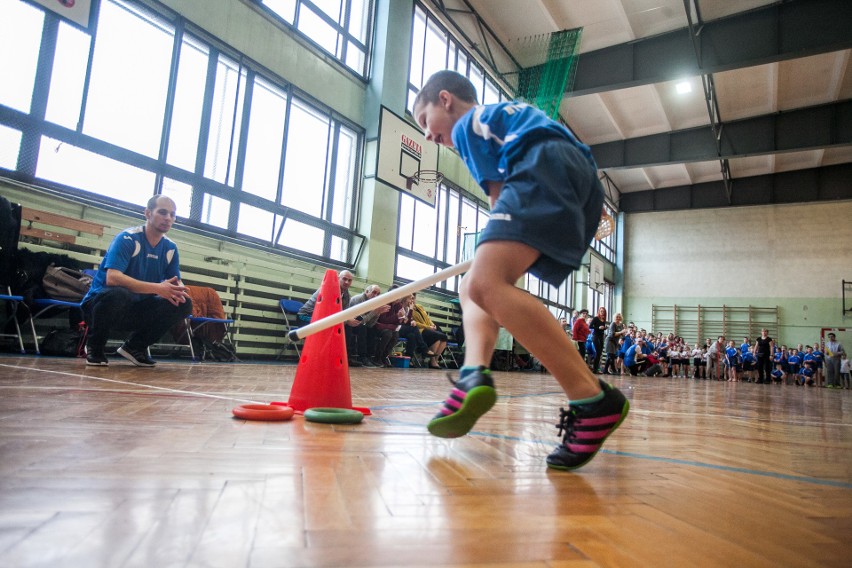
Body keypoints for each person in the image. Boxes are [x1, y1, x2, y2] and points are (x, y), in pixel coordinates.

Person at [413, 70, 629, 471]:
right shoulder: (509, 116)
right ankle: (473, 374)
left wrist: (492, 243)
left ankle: (591, 398)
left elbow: (499, 198)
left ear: (445, 100)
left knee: (485, 283)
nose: (427, 136)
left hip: (542, 167)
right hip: (577, 175)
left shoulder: (467, 127)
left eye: (425, 122)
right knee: (473, 286)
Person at [81, 195, 192, 367]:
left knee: (183, 303)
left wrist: (180, 291)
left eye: (172, 214)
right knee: (118, 294)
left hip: (136, 309)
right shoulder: (127, 238)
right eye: (162, 212)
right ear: (147, 213)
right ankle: (95, 348)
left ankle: (135, 347)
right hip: (101, 306)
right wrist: (158, 288)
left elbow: (174, 284)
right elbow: (113, 278)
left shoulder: (170, 248)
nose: (168, 218)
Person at [297, 270, 365, 367]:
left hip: (325, 319)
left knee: (347, 327)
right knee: (329, 326)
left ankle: (345, 358)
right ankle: (317, 358)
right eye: (344, 279)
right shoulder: (328, 289)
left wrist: (350, 319)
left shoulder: (346, 294)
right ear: (338, 279)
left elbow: (342, 313)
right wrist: (346, 320)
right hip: (305, 316)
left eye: (349, 280)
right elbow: (328, 313)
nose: (347, 282)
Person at [349, 284, 392, 367]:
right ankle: (363, 357)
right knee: (363, 329)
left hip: (363, 325)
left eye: (378, 294)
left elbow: (370, 324)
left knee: (372, 330)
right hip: (350, 324)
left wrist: (378, 313)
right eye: (374, 292)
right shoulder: (359, 299)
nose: (376, 295)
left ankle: (370, 357)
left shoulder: (375, 302)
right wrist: (375, 312)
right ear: (366, 292)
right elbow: (360, 321)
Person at [411, 293, 449, 369]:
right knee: (439, 337)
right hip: (420, 330)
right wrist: (428, 327)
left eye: (414, 298)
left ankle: (435, 360)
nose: (413, 300)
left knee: (443, 339)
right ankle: (432, 361)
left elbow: (427, 318)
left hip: (428, 328)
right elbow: (415, 323)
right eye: (411, 298)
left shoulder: (419, 306)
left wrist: (432, 325)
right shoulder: (408, 310)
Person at [589, 306, 608, 374]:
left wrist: (605, 328)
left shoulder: (603, 320)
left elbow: (602, 329)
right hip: (595, 336)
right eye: (601, 311)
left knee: (599, 353)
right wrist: (598, 327)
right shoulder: (596, 318)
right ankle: (594, 369)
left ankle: (596, 368)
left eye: (603, 311)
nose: (602, 313)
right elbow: (590, 326)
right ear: (599, 312)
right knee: (598, 352)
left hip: (601, 336)